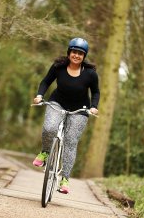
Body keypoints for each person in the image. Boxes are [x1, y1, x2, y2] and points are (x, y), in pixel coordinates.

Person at [32, 38, 100, 194]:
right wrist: (39, 95)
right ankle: (45, 152)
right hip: (58, 102)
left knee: (70, 141)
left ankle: (65, 179)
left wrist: (94, 107)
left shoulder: (90, 74)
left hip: (80, 109)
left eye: (80, 53)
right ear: (69, 52)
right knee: (49, 127)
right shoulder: (58, 67)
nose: (76, 55)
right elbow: (45, 82)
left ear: (84, 56)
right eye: (74, 52)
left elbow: (95, 92)